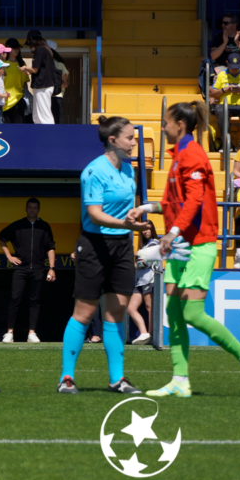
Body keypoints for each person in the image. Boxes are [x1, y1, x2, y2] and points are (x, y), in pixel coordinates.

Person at [130, 101, 240, 398]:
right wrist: (146, 207)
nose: (162, 127)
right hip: (181, 244)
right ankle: (180, 379)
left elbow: (193, 202)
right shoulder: (178, 156)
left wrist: (173, 232)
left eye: (165, 122)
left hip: (198, 243)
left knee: (191, 312)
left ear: (179, 125)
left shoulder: (192, 154)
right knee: (174, 312)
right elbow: (172, 203)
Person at [57, 117, 148, 394]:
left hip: (122, 246)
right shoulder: (93, 171)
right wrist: (127, 224)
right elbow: (95, 214)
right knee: (83, 314)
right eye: (130, 138)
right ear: (113, 140)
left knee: (116, 314)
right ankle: (66, 378)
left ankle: (117, 379)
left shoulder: (129, 169)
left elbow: (126, 208)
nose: (134, 143)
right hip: (94, 245)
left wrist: (135, 215)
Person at [0, 198, 55, 344]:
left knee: (35, 301)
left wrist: (52, 268)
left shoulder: (44, 226)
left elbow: (51, 247)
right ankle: (9, 333)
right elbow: (1, 238)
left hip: (37, 268)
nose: (32, 210)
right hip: (20, 268)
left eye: (35, 207)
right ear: (26, 208)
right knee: (14, 299)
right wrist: (9, 256)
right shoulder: (18, 225)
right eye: (30, 207)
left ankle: (32, 333)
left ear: (38, 210)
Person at [209, 52, 240, 148]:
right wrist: (223, 90)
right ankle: (226, 142)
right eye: (232, 67)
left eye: (237, 67)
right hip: (225, 105)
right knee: (221, 110)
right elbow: (211, 92)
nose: (234, 69)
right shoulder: (221, 75)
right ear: (227, 63)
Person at [20, 29, 57, 125]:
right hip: (44, 85)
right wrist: (29, 70)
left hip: (42, 86)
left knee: (43, 115)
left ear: (31, 40)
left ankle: (48, 135)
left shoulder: (40, 50)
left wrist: (25, 68)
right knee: (38, 114)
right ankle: (43, 133)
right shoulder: (46, 50)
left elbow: (35, 69)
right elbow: (40, 70)